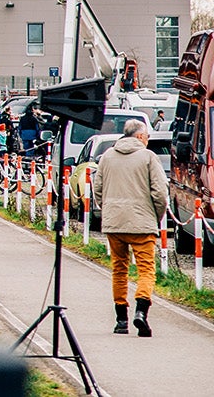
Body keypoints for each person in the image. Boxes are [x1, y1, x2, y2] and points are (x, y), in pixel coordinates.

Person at [94, 118, 169, 336]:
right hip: (142, 223)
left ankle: (121, 320)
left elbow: (98, 188)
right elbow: (160, 193)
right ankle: (141, 312)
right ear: (138, 137)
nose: (147, 140)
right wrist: (156, 215)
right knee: (146, 270)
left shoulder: (107, 156)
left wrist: (107, 208)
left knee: (119, 269)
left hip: (114, 222)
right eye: (146, 136)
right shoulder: (148, 157)